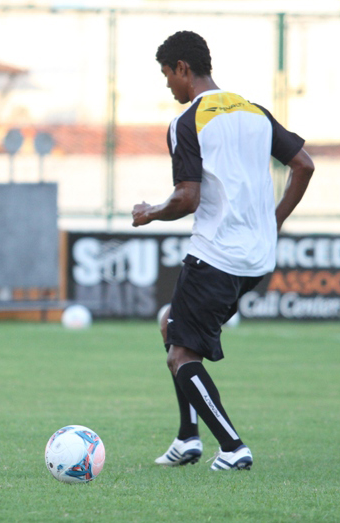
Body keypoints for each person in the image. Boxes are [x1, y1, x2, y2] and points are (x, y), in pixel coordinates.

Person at [132, 31, 314, 470]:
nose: (168, 87)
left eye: (167, 76)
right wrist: (275, 220)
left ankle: (232, 447)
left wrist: (150, 212)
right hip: (257, 259)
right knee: (168, 324)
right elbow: (303, 165)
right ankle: (187, 438)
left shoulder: (188, 121)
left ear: (182, 69)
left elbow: (187, 198)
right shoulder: (253, 111)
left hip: (215, 255)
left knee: (180, 354)